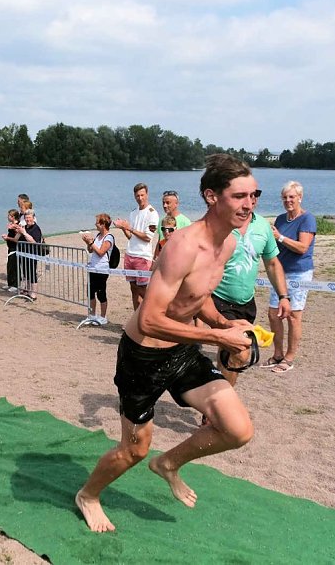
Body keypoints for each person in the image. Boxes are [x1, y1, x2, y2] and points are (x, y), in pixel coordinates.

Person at [76, 154, 258, 534]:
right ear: (212, 196)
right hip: (142, 354)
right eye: (239, 196)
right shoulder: (182, 245)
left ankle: (169, 463)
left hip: (182, 351)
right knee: (133, 451)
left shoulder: (228, 244)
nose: (249, 204)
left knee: (238, 429)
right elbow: (150, 318)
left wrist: (225, 322)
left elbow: (197, 296)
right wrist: (217, 336)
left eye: (254, 195)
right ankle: (89, 495)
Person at [212, 189, 291, 385]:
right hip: (219, 298)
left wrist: (283, 296)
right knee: (240, 352)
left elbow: (272, 263)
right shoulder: (221, 224)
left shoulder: (263, 226)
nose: (251, 199)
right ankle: (221, 403)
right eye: (245, 195)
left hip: (247, 302)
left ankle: (215, 399)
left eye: (255, 195)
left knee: (228, 354)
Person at [266, 181, 317, 374]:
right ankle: (277, 354)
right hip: (279, 271)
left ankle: (289, 357)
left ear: (299, 198)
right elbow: (273, 246)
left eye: (292, 197)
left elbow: (302, 247)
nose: (288, 200)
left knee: (293, 316)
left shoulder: (307, 219)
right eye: (285, 197)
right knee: (274, 314)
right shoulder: (280, 219)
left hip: (299, 272)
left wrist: (279, 237)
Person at [113, 183, 160, 311]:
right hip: (130, 254)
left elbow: (147, 237)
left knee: (142, 290)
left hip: (143, 256)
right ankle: (136, 319)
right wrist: (123, 227)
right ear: (134, 196)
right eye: (137, 195)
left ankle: (153, 315)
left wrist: (130, 228)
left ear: (147, 195)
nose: (140, 198)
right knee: (133, 290)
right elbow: (130, 236)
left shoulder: (152, 213)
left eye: (142, 195)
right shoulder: (133, 213)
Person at [81, 213, 114, 325]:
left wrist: (91, 242)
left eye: (97, 222)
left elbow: (100, 252)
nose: (95, 224)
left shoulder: (108, 237)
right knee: (90, 292)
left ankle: (103, 317)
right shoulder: (98, 235)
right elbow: (91, 250)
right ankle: (92, 315)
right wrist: (88, 243)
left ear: (103, 224)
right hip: (93, 267)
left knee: (101, 293)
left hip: (102, 269)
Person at [11, 208, 43, 299]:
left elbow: (34, 241)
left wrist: (24, 233)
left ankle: (33, 294)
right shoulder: (25, 227)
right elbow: (17, 239)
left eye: (29, 218)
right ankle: (28, 291)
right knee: (26, 273)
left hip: (32, 254)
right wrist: (17, 230)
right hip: (23, 254)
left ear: (33, 218)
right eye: (26, 218)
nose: (28, 219)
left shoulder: (36, 228)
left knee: (32, 274)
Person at [1, 209, 21, 292]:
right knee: (9, 266)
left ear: (13, 217)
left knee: (14, 266)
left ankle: (15, 285)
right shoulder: (12, 225)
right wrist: (7, 238)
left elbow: (17, 238)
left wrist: (7, 238)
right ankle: (10, 284)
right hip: (10, 247)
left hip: (15, 248)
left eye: (9, 215)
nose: (7, 217)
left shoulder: (17, 226)